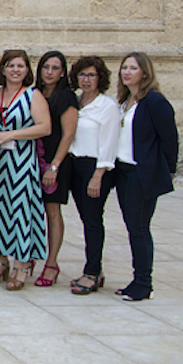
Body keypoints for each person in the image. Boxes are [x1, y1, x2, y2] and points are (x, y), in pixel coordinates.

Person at [0, 49, 51, 291]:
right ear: (3, 69)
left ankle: (21, 265)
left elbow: (44, 127)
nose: (15, 70)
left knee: (20, 212)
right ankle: (1, 261)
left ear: (27, 70)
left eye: (20, 66)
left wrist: (12, 134)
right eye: (11, 65)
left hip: (21, 163)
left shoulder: (33, 95)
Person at [112, 52, 179, 301]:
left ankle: (143, 283)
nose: (127, 72)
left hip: (142, 172)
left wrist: (165, 171)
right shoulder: (126, 100)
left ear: (145, 73)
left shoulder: (154, 101)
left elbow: (169, 138)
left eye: (133, 68)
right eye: (124, 68)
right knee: (133, 227)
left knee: (139, 228)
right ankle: (137, 279)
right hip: (124, 172)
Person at [66, 56, 119, 295]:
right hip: (75, 165)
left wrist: (98, 175)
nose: (86, 80)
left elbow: (109, 143)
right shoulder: (77, 101)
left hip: (94, 168)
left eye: (91, 75)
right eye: (82, 75)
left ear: (101, 78)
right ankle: (96, 268)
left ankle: (92, 272)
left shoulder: (107, 106)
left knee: (93, 220)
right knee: (86, 219)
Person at [33, 50, 79, 287]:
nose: (50, 72)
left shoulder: (66, 97)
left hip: (54, 162)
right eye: (46, 67)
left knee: (52, 212)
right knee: (31, 210)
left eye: (55, 68)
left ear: (62, 72)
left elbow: (68, 134)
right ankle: (28, 256)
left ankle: (51, 263)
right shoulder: (35, 93)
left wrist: (54, 166)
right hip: (33, 160)